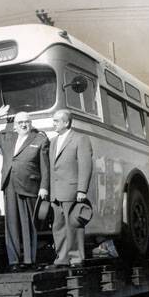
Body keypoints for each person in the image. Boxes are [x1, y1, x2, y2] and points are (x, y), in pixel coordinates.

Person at [0, 105, 50, 272]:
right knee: (11, 225)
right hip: (10, 185)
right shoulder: (7, 138)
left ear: (31, 123)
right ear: (15, 125)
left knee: (29, 225)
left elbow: (45, 167)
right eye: (20, 122)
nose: (23, 125)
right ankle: (14, 261)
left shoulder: (40, 139)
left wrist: (44, 187)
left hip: (29, 185)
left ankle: (30, 260)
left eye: (26, 122)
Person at [47, 109, 93, 268]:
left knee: (73, 225)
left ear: (66, 122)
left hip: (72, 190)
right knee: (58, 226)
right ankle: (62, 258)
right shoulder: (53, 141)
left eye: (56, 121)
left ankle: (76, 258)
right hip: (55, 192)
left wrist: (82, 189)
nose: (53, 124)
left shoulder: (80, 139)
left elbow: (85, 165)